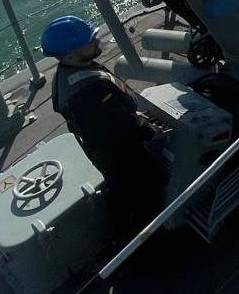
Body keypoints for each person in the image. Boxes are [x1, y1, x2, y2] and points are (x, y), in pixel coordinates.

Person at [42, 15, 165, 242]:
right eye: (89, 41)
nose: (97, 40)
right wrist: (151, 131)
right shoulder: (90, 93)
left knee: (125, 193)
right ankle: (153, 241)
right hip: (124, 158)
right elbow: (123, 131)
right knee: (146, 193)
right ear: (70, 53)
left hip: (104, 150)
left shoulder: (67, 73)